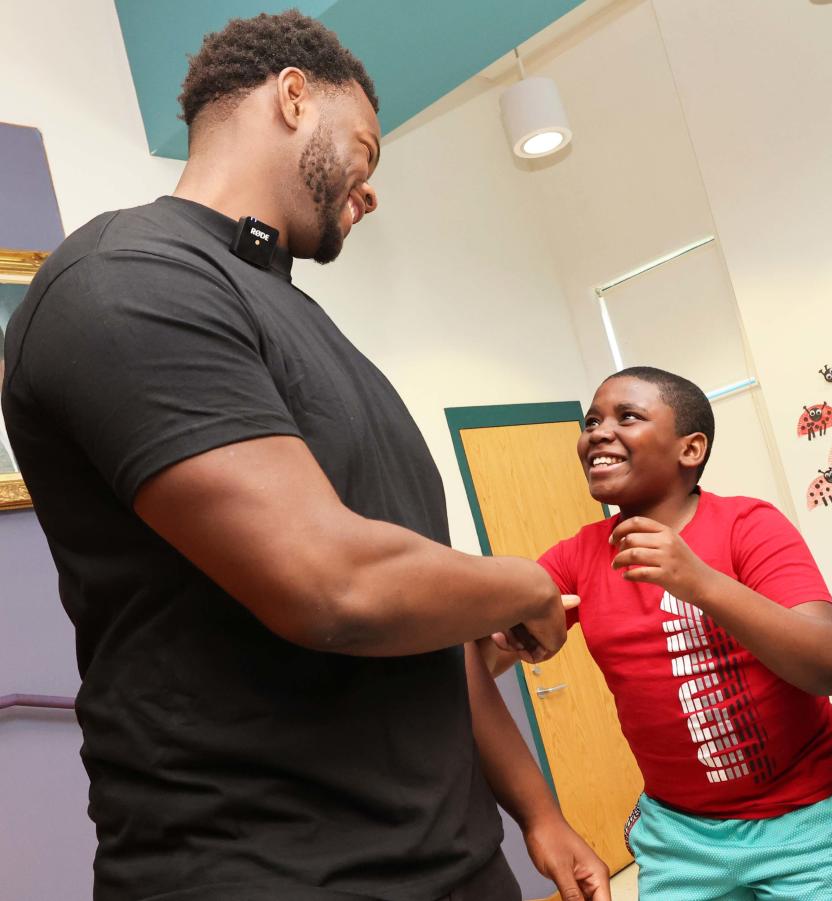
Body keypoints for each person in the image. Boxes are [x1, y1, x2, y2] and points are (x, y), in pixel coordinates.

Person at [0, 12, 609, 901]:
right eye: (364, 145)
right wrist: (521, 583)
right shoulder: (125, 278)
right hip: (271, 873)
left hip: (452, 864)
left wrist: (537, 814)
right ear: (293, 97)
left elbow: (420, 622)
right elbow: (334, 585)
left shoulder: (304, 324)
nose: (371, 188)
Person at [490, 366, 832, 900]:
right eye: (592, 420)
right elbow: (484, 658)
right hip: (679, 839)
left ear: (690, 449)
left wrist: (701, 582)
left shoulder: (749, 525)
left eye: (627, 417)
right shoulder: (579, 554)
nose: (599, 432)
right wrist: (508, 641)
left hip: (803, 825)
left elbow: (828, 666)